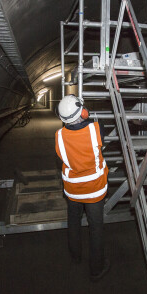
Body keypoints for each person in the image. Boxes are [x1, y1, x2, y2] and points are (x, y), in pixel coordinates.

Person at [54, 94, 110, 281]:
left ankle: (75, 256)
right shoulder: (96, 129)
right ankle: (96, 269)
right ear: (83, 112)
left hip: (72, 190)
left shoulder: (59, 136)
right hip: (95, 189)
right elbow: (97, 129)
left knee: (74, 221)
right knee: (96, 228)